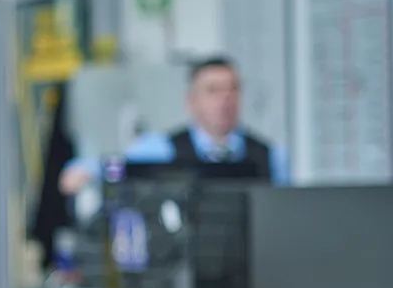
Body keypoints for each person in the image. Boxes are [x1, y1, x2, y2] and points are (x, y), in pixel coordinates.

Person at [59, 55, 290, 193]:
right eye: (213, 91)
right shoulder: (163, 149)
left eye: (233, 90)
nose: (225, 99)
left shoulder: (269, 156)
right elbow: (119, 167)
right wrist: (87, 170)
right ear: (191, 101)